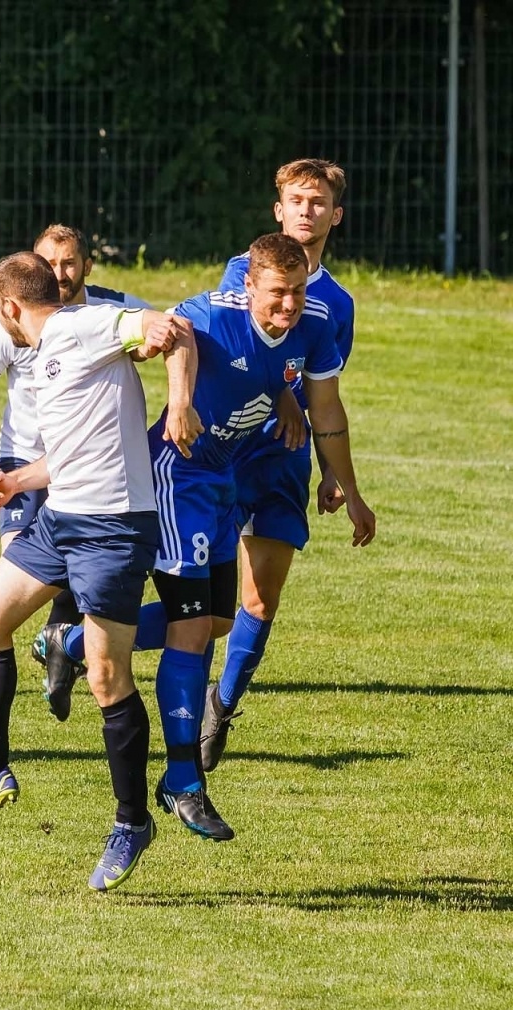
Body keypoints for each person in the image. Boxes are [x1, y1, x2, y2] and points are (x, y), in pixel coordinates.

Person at [42, 232, 372, 841]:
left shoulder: (313, 325)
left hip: (224, 476)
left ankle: (76, 641)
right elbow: (177, 336)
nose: (288, 306)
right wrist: (180, 400)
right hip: (179, 471)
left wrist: (346, 486)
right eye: (277, 293)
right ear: (249, 285)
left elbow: (325, 405)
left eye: (298, 292)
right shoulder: (212, 311)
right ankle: (184, 782)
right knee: (192, 629)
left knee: (217, 620)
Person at [0, 250, 199, 893]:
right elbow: (76, 448)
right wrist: (14, 478)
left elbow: (173, 328)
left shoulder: (84, 324)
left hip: (111, 528)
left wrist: (175, 385)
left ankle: (132, 822)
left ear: (8, 307)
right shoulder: (51, 348)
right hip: (59, 517)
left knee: (106, 677)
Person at [202, 159, 365, 768]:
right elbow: (233, 352)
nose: (306, 211)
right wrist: (281, 395)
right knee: (201, 603)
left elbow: (325, 392)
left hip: (283, 461)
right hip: (223, 450)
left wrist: (338, 478)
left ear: (335, 215)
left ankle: (220, 708)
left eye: (318, 202)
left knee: (260, 600)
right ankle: (76, 638)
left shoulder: (337, 305)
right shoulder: (243, 272)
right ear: (278, 209)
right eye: (296, 200)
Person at [0, 224, 150, 717]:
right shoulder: (14, 318)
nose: (59, 274)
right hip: (25, 459)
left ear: (86, 265)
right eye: (49, 265)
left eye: (69, 263)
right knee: (19, 562)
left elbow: (163, 332)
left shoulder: (109, 310)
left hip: (90, 464)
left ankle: (61, 641)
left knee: (71, 562)